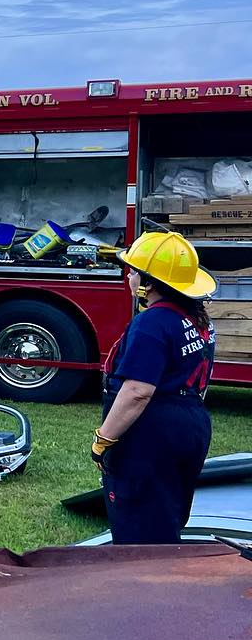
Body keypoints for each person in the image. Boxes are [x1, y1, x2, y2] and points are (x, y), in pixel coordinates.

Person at [92, 231, 217, 544]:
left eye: (134, 271)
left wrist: (103, 440)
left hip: (151, 432)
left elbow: (137, 391)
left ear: (148, 283)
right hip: (191, 424)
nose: (130, 277)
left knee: (140, 534)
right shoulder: (197, 319)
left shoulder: (153, 323)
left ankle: (145, 590)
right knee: (166, 517)